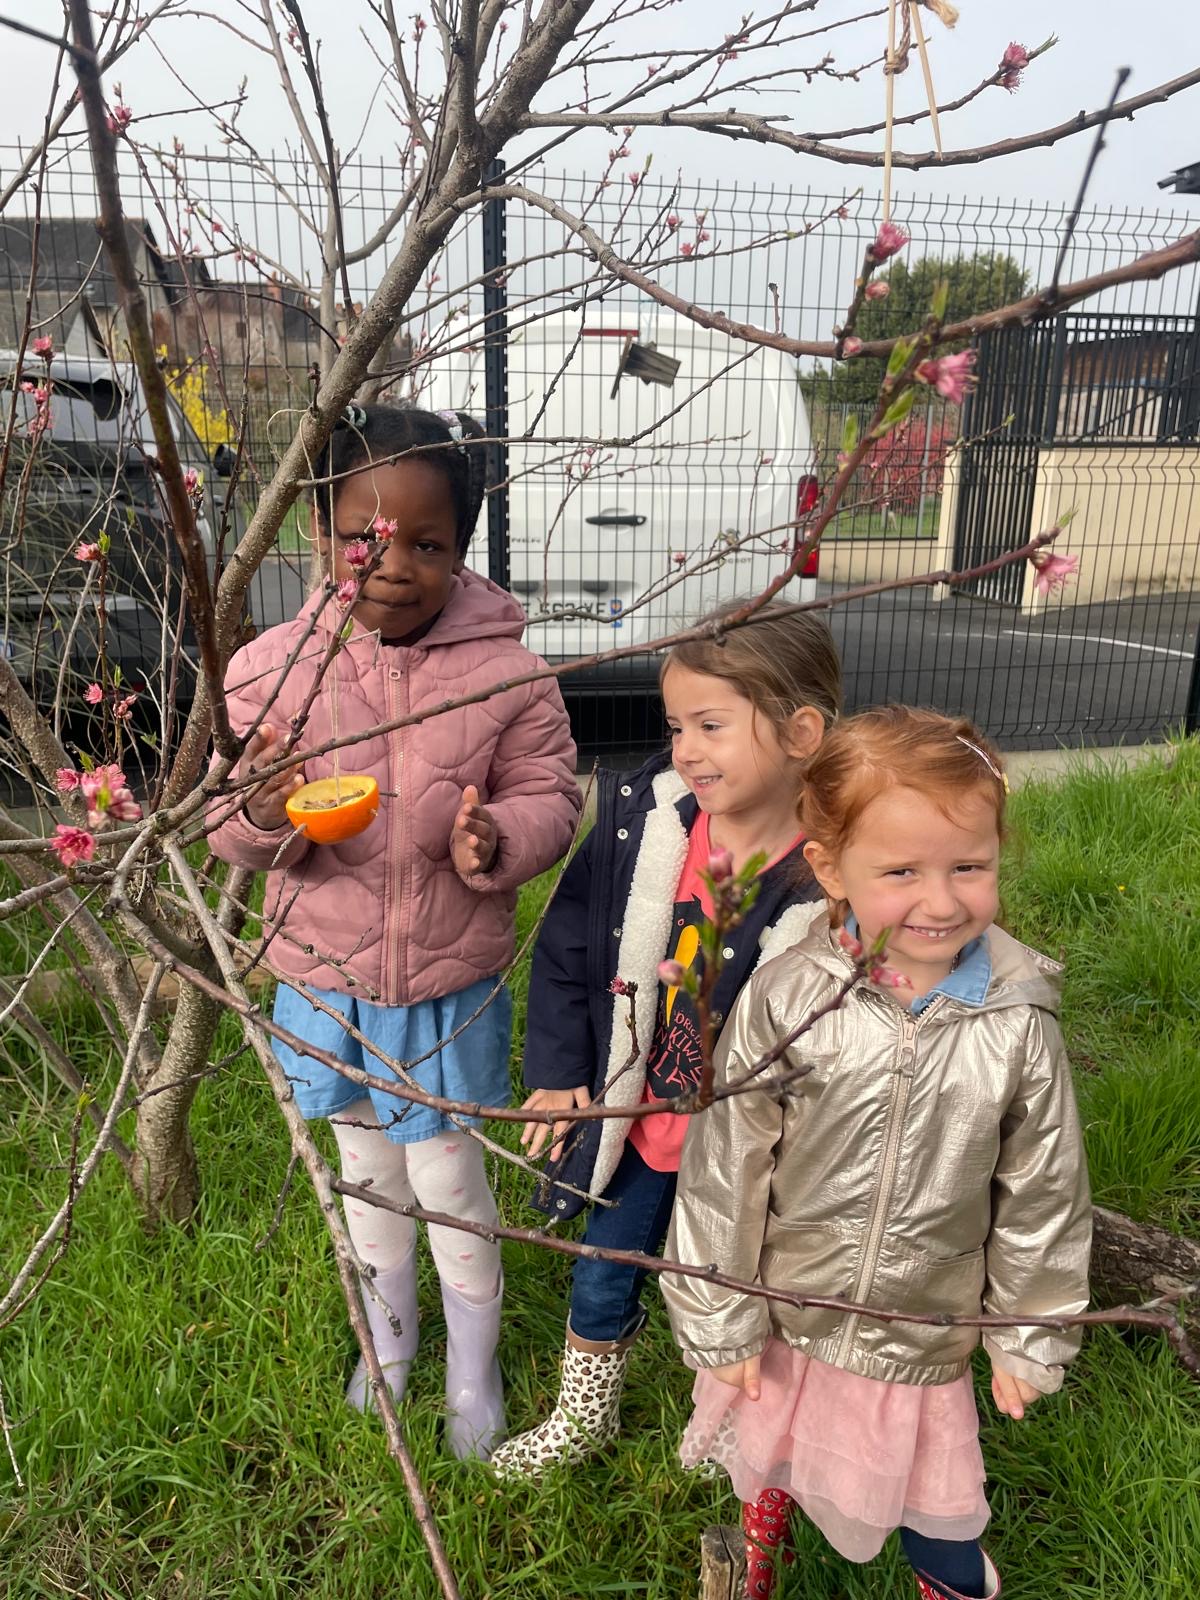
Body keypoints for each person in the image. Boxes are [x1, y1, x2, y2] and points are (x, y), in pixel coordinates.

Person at [208, 404, 580, 1460]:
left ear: (462, 550)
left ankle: (473, 1364)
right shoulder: (273, 669)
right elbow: (228, 825)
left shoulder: (509, 674)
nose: (395, 565)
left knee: (448, 1178)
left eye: (429, 543)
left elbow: (552, 795)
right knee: (366, 1173)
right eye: (365, 538)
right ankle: (390, 1338)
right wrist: (263, 812)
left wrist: (496, 837)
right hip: (324, 982)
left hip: (445, 988)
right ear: (319, 533)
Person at [662, 706, 1092, 1599]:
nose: (941, 902)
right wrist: (720, 1313)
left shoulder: (1020, 1023)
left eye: (969, 867)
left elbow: (1043, 1193)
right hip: (788, 1307)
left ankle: (949, 1581)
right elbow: (727, 1167)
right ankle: (763, 1541)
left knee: (936, 1505)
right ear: (830, 868)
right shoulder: (788, 999)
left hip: (921, 1332)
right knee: (773, 1445)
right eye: (902, 872)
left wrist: (1028, 1332)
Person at [489, 604, 843, 1476]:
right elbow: (569, 949)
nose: (684, 750)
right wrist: (561, 1071)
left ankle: (728, 1429)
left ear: (801, 733)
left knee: (738, 1284)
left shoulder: (839, 871)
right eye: (676, 726)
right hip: (645, 1121)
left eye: (711, 726)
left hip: (756, 1149)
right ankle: (584, 1413)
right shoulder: (648, 824)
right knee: (603, 1265)